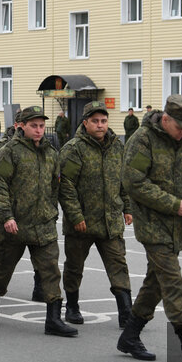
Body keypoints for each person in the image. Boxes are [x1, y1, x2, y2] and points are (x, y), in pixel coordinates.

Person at [117, 95, 182, 362]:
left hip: (178, 228)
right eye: (180, 126)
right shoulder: (142, 139)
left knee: (156, 283)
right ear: (165, 120)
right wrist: (175, 205)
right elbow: (133, 182)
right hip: (152, 225)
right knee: (172, 282)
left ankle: (129, 336)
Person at [0, 105, 77, 338]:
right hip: (15, 224)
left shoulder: (51, 153)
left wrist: (70, 215)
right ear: (21, 126)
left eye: (41, 126)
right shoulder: (10, 151)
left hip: (43, 223)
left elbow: (59, 187)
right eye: (33, 125)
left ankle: (53, 319)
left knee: (51, 271)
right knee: (4, 269)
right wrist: (6, 216)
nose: (38, 130)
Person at [58, 101, 132, 328]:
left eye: (103, 121)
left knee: (118, 265)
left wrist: (128, 208)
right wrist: (75, 216)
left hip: (110, 223)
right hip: (82, 224)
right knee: (74, 267)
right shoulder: (73, 149)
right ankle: (72, 306)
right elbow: (66, 186)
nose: (100, 126)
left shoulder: (117, 147)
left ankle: (126, 313)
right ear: (85, 123)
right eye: (95, 121)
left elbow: (124, 180)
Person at [0, 110, 45, 303]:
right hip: (7, 205)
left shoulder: (42, 147)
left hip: (35, 211)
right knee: (2, 244)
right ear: (18, 126)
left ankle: (40, 287)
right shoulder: (4, 147)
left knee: (40, 247)